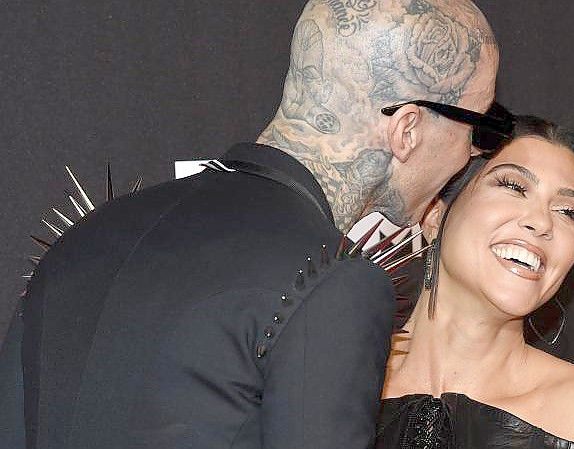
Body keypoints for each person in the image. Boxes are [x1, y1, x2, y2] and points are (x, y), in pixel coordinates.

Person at [0, 1, 504, 448]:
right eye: (476, 124)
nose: (470, 151)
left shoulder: (89, 233)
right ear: (407, 129)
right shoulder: (333, 279)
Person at [376, 115, 574, 449]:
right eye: (514, 187)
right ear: (434, 213)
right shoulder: (335, 381)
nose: (541, 222)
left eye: (567, 212)